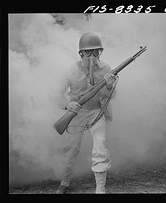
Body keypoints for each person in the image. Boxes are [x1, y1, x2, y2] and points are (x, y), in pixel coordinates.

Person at [56, 32, 117, 194]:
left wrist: (110, 86)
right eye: (88, 52)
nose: (92, 56)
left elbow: (110, 96)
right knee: (71, 149)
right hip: (77, 114)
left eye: (96, 51)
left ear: (100, 52)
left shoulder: (106, 68)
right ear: (81, 53)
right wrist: (68, 105)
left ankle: (100, 187)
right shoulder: (71, 69)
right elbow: (56, 94)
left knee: (100, 145)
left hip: (97, 112)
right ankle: (65, 181)